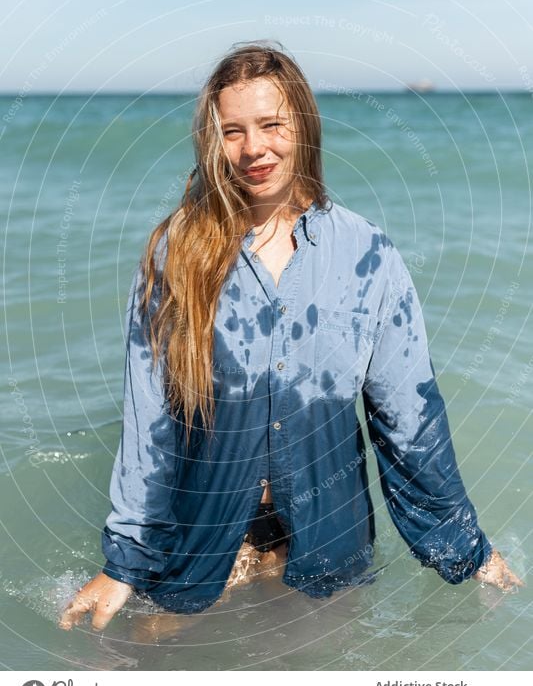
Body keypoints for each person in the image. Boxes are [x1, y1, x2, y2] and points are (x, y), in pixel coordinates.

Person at [59, 42, 523, 634]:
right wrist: (123, 563)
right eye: (233, 131)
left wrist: (469, 550)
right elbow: (149, 418)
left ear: (302, 124)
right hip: (202, 547)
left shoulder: (367, 255)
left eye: (271, 124)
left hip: (330, 544)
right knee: (146, 665)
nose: (254, 148)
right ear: (212, 139)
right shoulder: (177, 253)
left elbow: (409, 419)